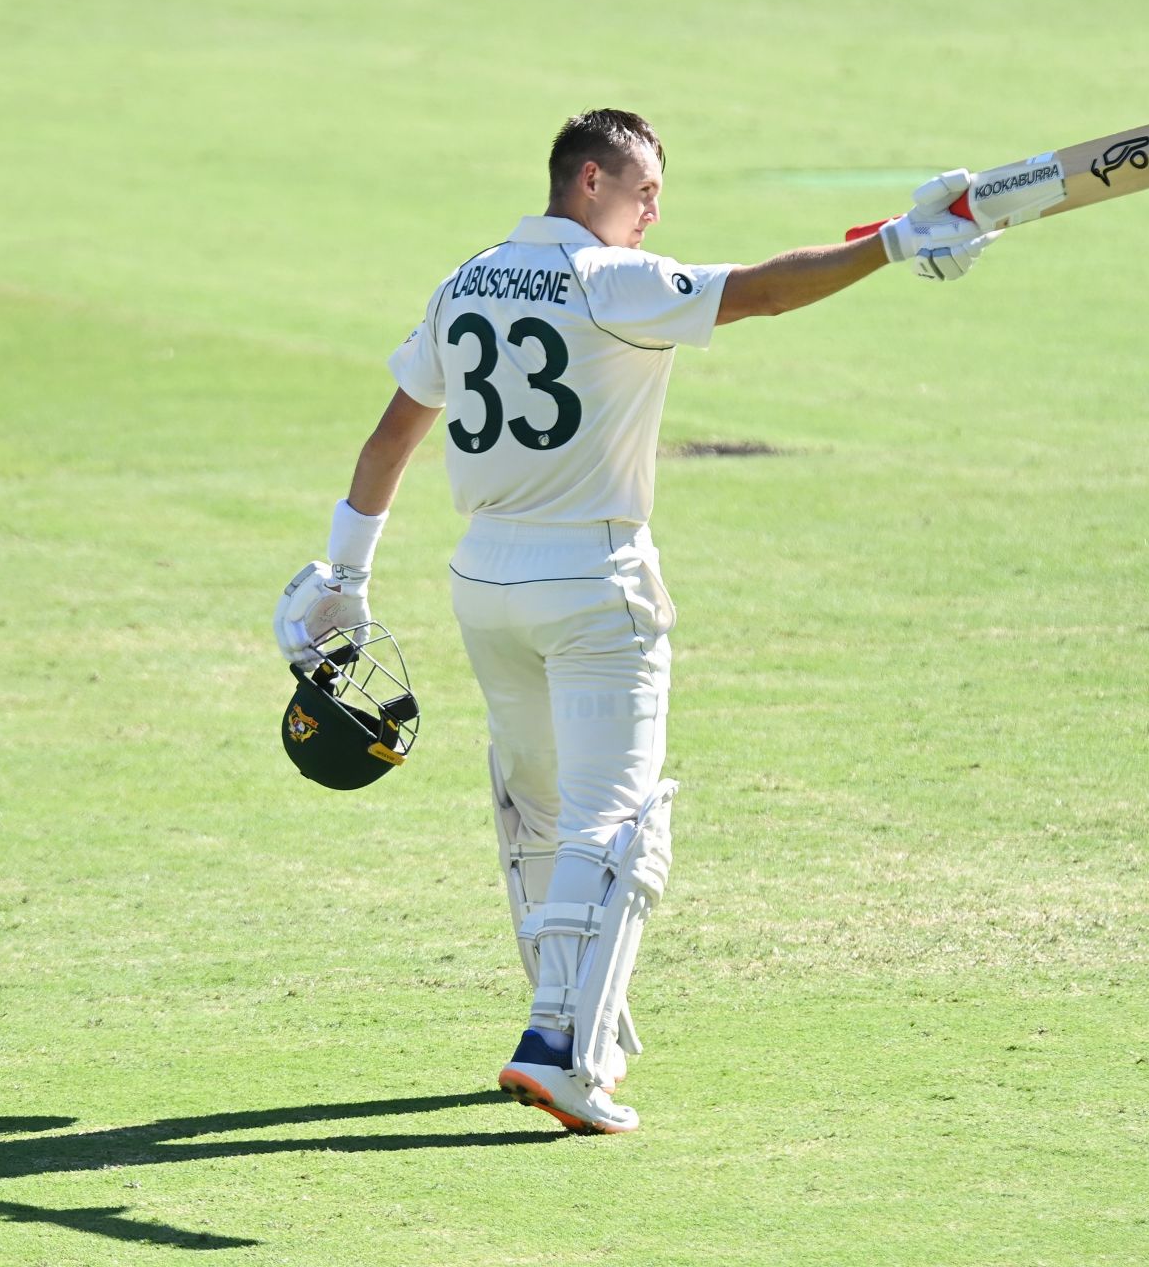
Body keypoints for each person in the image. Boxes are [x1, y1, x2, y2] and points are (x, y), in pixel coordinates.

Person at [273, 109, 997, 1134]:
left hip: (484, 583)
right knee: (618, 822)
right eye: (643, 188)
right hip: (593, 583)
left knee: (536, 810)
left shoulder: (467, 280)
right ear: (588, 181)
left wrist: (344, 571)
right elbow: (759, 293)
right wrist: (888, 242)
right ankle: (559, 1042)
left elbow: (395, 430)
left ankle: (571, 1022)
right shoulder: (608, 281)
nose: (656, 208)